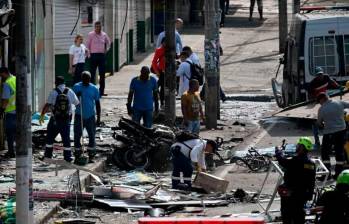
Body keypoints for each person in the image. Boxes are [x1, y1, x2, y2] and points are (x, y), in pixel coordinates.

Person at [275, 137, 316, 224]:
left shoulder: (295, 161)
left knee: (287, 216)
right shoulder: (311, 164)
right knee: (299, 216)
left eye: (298, 145)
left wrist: (278, 151)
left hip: (290, 195)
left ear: (301, 147)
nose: (296, 147)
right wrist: (310, 195)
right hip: (302, 195)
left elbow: (282, 161)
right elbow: (312, 181)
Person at [40, 76, 79, 162]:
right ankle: (67, 157)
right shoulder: (70, 91)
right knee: (66, 139)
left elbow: (47, 105)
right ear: (64, 82)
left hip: (55, 119)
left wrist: (42, 115)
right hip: (66, 119)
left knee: (50, 138)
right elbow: (77, 103)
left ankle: (48, 156)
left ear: (56, 83)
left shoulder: (53, 92)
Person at [317, 92, 349, 178]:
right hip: (342, 131)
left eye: (319, 101)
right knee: (339, 152)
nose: (319, 103)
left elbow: (319, 123)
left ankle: (326, 175)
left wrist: (321, 125)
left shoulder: (322, 109)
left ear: (322, 99)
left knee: (325, 153)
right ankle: (338, 174)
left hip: (329, 133)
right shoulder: (339, 102)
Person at [73, 71, 101, 164]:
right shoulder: (76, 87)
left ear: (90, 79)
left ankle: (91, 155)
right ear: (82, 78)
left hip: (90, 116)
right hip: (79, 115)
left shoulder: (94, 88)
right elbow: (72, 100)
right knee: (77, 136)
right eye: (85, 79)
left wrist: (99, 117)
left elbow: (97, 103)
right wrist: (77, 95)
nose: (86, 81)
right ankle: (78, 154)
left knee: (92, 135)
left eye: (88, 79)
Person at [309, 67, 340, 149]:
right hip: (317, 101)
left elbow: (332, 81)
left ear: (323, 73)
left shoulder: (326, 77)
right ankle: (317, 141)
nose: (320, 76)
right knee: (315, 122)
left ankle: (333, 140)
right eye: (318, 75)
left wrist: (338, 87)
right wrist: (314, 103)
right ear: (316, 76)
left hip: (325, 99)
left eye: (321, 74)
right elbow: (310, 96)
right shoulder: (313, 83)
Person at [86, 21, 111, 97]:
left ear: (101, 27)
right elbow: (87, 45)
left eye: (99, 27)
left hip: (101, 56)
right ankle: (91, 91)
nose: (98, 28)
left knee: (102, 74)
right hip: (93, 56)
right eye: (96, 27)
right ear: (94, 27)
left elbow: (109, 42)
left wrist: (106, 50)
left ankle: (101, 91)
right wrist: (89, 55)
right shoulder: (90, 35)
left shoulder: (104, 34)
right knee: (92, 74)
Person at [0, 67, 16, 158]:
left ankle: (11, 152)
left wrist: (2, 110)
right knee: (19, 133)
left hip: (11, 112)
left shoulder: (7, 83)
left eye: (1, 75)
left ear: (4, 73)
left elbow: (5, 99)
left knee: (10, 133)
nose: (1, 77)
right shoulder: (16, 79)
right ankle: (20, 151)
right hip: (21, 112)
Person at [151, 37, 166, 107]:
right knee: (162, 87)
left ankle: (155, 94)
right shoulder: (159, 50)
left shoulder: (171, 49)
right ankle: (162, 102)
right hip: (161, 71)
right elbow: (154, 62)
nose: (165, 44)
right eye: (164, 42)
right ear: (162, 43)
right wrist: (157, 72)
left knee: (161, 85)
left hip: (169, 71)